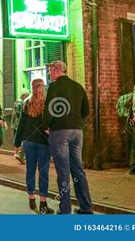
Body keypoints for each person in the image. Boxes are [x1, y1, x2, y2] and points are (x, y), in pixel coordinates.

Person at [42, 60, 93, 215]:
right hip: (77, 132)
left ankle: (65, 209)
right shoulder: (78, 87)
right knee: (78, 170)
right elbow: (86, 110)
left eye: (51, 71)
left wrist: (45, 126)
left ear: (57, 70)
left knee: (63, 172)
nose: (50, 73)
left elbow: (50, 108)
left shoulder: (54, 87)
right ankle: (86, 207)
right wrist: (76, 121)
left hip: (59, 132)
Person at [14, 78, 54, 214]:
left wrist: (17, 143)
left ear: (32, 88)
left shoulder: (26, 103)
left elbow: (21, 125)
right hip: (44, 142)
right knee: (43, 172)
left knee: (30, 170)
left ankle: (31, 198)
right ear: (43, 87)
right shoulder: (48, 103)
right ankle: (43, 203)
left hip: (29, 141)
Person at [10, 88, 30, 164]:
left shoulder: (17, 101)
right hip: (18, 123)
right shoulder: (20, 103)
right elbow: (20, 114)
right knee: (21, 138)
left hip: (15, 123)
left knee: (17, 138)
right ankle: (18, 154)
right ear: (24, 95)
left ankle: (17, 153)